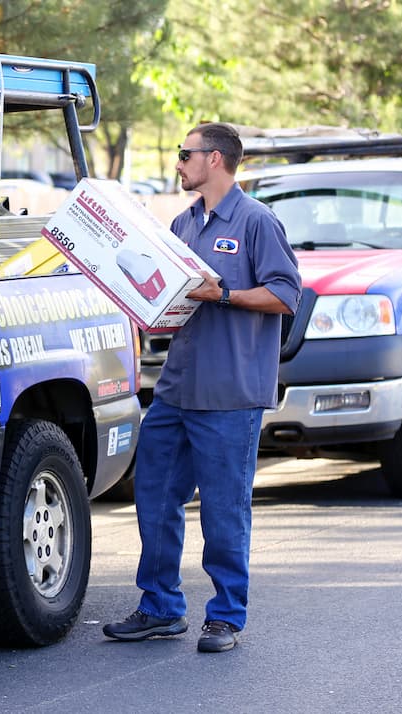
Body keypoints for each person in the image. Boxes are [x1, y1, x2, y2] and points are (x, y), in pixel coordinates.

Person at [103, 122, 302, 653]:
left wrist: (226, 293)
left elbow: (286, 295)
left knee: (223, 509)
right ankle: (161, 608)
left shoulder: (258, 221)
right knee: (154, 498)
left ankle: (226, 617)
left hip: (231, 394)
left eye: (184, 153)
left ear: (215, 159)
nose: (177, 162)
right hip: (176, 389)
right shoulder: (183, 222)